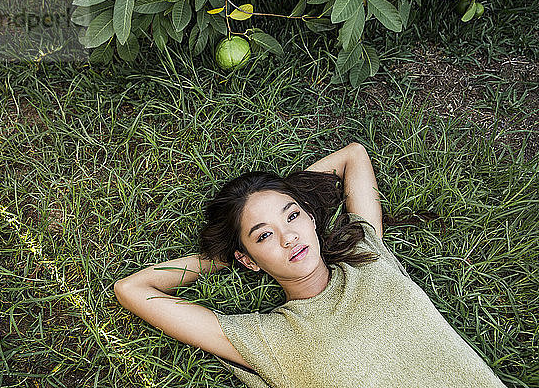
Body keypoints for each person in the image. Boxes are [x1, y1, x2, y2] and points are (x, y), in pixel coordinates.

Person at [114, 142, 506, 387]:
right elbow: (132, 289)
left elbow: (353, 156)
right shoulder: (266, 337)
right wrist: (220, 258)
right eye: (263, 235)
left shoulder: (367, 256)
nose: (289, 237)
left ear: (311, 218)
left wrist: (297, 197)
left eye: (292, 216)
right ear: (248, 260)